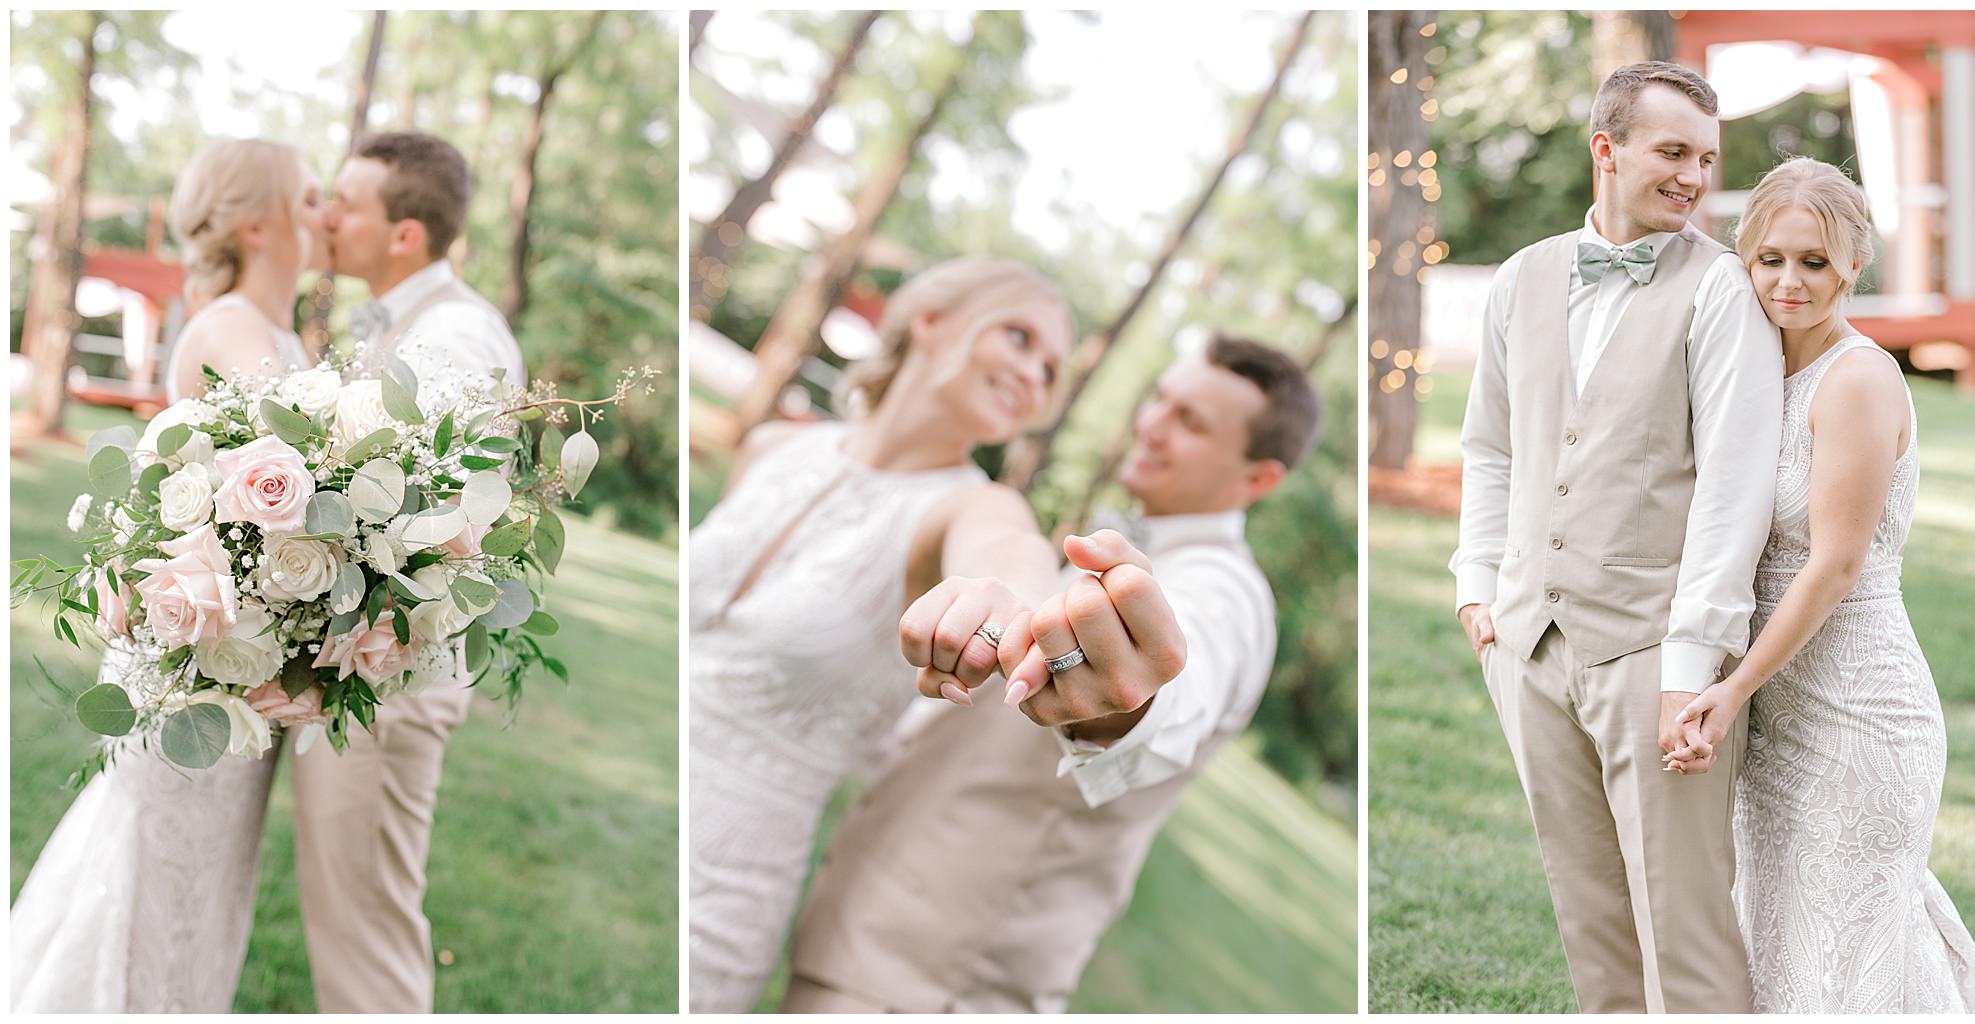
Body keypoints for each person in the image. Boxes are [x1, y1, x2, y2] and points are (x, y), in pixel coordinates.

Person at [780, 336, 1321, 1013]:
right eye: (1160, 398)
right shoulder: (1124, 546)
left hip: (934, 981)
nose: (1150, 425)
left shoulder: (1224, 590)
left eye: (1190, 422)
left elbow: (1183, 684)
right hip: (872, 933)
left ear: (1258, 479)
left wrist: (1130, 700)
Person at [687, 256, 1128, 1012]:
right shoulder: (774, 449)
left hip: (724, 884)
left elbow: (1007, 559)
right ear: (931, 322)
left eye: (1051, 369)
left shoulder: (971, 509)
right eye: (1019, 337)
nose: (1034, 373)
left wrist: (1008, 596)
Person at [1447, 61, 1783, 1012]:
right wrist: (1477, 586)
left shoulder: (1720, 289)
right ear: (1608, 150)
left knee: (1687, 931)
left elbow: (1733, 486)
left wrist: (1692, 664)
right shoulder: (1521, 278)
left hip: (1654, 650)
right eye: (1673, 152)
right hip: (1527, 642)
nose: (1693, 177)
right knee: (1590, 922)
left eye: (1706, 159)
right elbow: (1490, 447)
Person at [1664, 157, 1975, 1012]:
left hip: (1856, 710)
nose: (1789, 281)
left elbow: (1836, 564)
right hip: (1777, 714)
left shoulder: (1857, 378)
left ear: (1853, 264)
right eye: (1770, 258)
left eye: (1814, 261)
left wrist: (1731, 688)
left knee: (1853, 946)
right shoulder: (1751, 370)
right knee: (1780, 939)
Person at [11, 137, 330, 1013]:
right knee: (158, 883)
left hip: (240, 664)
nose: (326, 216)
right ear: (258, 225)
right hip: (196, 669)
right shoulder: (229, 330)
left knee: (195, 891)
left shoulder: (276, 335)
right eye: (310, 199)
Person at [286, 129, 522, 1014]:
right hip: (361, 664)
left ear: (405, 235)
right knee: (350, 918)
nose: (328, 214)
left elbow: (419, 513)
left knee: (367, 937)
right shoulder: (398, 322)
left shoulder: (454, 336)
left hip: (390, 678)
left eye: (346, 201)